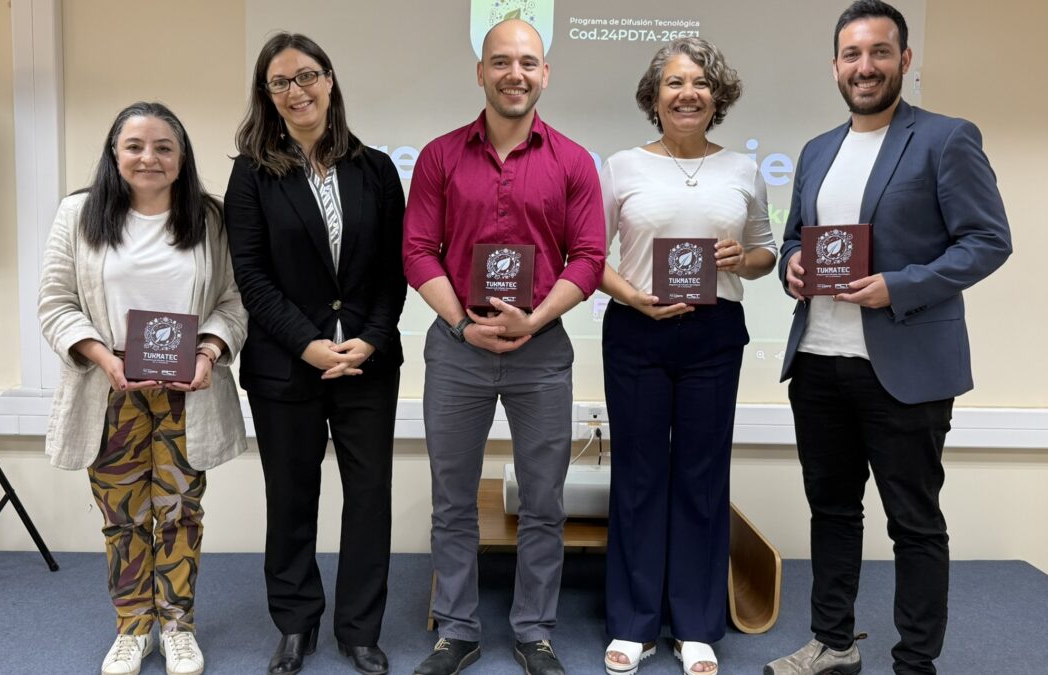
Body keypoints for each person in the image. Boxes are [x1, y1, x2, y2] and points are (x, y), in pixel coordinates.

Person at [764, 2, 1012, 674]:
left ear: (905, 60)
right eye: (851, 54)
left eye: (879, 52)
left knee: (915, 523)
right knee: (833, 512)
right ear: (836, 66)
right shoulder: (817, 150)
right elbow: (797, 236)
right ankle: (833, 642)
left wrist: (897, 285)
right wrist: (791, 262)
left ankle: (914, 664)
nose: (864, 66)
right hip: (818, 361)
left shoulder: (946, 137)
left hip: (902, 366)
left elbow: (989, 241)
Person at [403, 18, 605, 675]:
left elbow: (590, 257)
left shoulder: (573, 161)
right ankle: (457, 630)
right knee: (454, 495)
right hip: (457, 346)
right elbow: (416, 250)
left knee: (543, 500)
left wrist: (535, 317)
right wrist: (463, 322)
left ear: (544, 74)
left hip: (541, 349)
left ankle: (535, 631)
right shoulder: (438, 156)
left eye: (527, 62)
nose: (514, 73)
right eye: (500, 61)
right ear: (481, 72)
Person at [38, 101, 247, 675]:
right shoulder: (78, 214)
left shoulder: (210, 217)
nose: (148, 157)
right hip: (110, 390)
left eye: (163, 148)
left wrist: (207, 351)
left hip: (189, 391)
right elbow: (55, 304)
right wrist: (104, 358)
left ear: (182, 159)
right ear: (114, 153)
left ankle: (178, 626)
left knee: (180, 512)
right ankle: (132, 628)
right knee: (122, 515)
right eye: (135, 146)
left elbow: (233, 302)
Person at [224, 32, 407, 675]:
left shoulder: (377, 169)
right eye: (281, 83)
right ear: (267, 96)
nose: (297, 91)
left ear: (330, 80)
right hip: (284, 364)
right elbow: (252, 276)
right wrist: (307, 343)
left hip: (367, 363)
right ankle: (296, 624)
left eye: (307, 76)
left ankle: (359, 629)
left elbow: (394, 272)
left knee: (368, 499)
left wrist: (373, 339)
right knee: (292, 497)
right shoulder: (250, 174)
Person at [598, 38, 776, 675]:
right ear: (654, 97)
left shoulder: (744, 171)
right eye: (674, 83)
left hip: (714, 335)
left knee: (702, 476)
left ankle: (695, 625)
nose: (688, 93)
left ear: (717, 96)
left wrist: (741, 258)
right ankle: (633, 621)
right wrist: (636, 298)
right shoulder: (620, 166)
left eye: (700, 82)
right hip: (637, 332)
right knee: (641, 475)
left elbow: (765, 256)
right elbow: (591, 258)